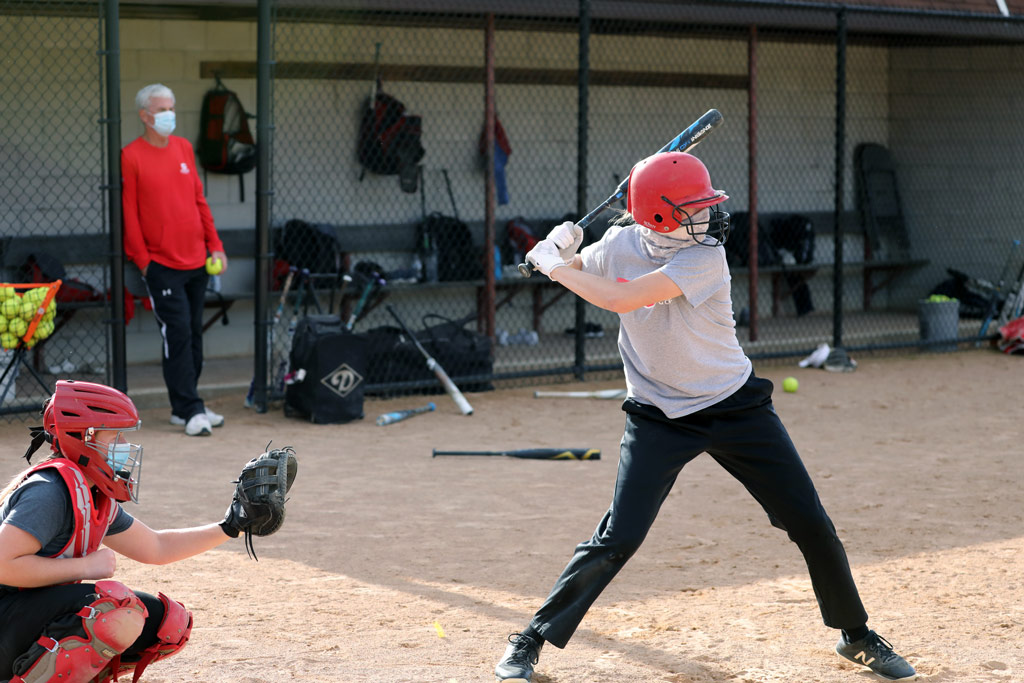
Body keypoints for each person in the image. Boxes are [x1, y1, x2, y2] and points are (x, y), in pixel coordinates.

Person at [494, 151, 916, 682]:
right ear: (657, 217)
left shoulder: (705, 257)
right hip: (657, 415)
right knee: (618, 536)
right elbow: (591, 272)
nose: (710, 216)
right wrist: (562, 255)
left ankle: (856, 636)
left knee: (808, 519)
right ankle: (530, 639)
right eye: (694, 208)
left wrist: (554, 267)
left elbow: (622, 300)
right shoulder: (623, 243)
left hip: (732, 405)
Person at [0, 380, 261, 683]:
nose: (125, 446)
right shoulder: (49, 492)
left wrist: (231, 526)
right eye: (117, 436)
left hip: (19, 618)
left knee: (168, 623)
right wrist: (85, 567)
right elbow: (3, 564)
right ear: (85, 437)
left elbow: (157, 546)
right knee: (114, 609)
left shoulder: (91, 493)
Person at [122, 83, 228, 437]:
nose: (170, 115)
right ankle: (189, 407)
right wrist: (143, 262)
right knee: (178, 334)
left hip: (198, 261)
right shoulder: (131, 155)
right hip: (161, 266)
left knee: (194, 333)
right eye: (162, 109)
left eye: (172, 107)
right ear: (145, 116)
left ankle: (185, 407)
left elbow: (199, 200)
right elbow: (130, 214)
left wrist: (215, 245)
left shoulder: (183, 148)